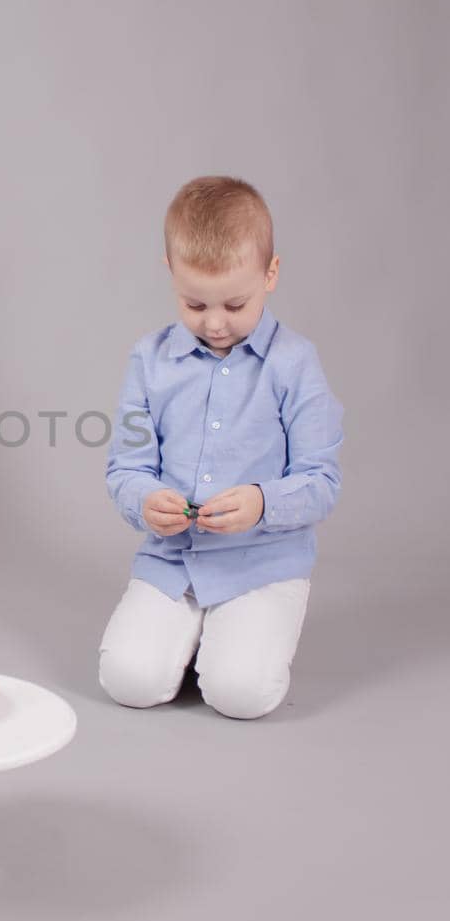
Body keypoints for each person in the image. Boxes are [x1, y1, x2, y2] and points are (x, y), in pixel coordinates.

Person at [99, 176, 343, 719]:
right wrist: (144, 500)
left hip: (263, 563)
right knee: (127, 680)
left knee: (240, 695)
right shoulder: (148, 361)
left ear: (271, 273)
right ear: (170, 273)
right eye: (194, 303)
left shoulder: (295, 365)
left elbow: (321, 480)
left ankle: (229, 638)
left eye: (235, 303)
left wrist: (263, 503)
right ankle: (186, 638)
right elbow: (127, 466)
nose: (214, 323)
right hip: (172, 561)